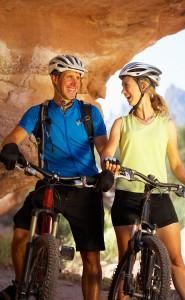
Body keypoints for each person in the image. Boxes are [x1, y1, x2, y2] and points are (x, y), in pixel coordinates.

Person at [0, 54, 110, 300]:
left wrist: (107, 170)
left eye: (78, 78)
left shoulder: (90, 113)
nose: (75, 82)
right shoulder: (38, 113)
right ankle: (20, 285)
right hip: (50, 182)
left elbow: (104, 148)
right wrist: (10, 149)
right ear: (54, 78)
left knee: (91, 260)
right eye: (69, 77)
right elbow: (13, 137)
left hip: (85, 188)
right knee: (19, 235)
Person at [101, 62, 185, 300]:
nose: (124, 92)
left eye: (127, 86)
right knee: (126, 264)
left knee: (176, 259)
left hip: (159, 196)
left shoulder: (166, 124)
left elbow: (175, 163)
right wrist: (110, 162)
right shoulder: (121, 123)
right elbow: (107, 152)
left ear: (144, 86)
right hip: (127, 195)